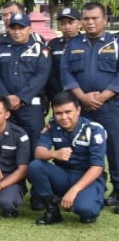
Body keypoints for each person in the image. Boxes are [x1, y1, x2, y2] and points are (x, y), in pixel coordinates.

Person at [60, 2, 119, 205]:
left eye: (95, 18)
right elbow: (66, 73)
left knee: (114, 148)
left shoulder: (115, 42)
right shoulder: (74, 44)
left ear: (105, 19)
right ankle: (87, 189)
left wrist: (102, 97)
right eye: (86, 19)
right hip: (81, 107)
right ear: (82, 21)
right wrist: (83, 97)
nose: (90, 22)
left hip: (110, 107)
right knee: (81, 148)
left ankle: (118, 192)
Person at [29, 91, 107, 225]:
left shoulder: (94, 130)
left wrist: (74, 190)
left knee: (86, 211)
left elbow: (97, 167)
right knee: (36, 166)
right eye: (58, 113)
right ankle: (52, 211)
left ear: (78, 110)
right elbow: (38, 152)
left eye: (68, 112)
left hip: (87, 177)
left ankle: (89, 198)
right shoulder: (53, 126)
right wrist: (54, 154)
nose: (63, 117)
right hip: (63, 175)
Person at [0, 11, 50, 136]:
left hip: (31, 106)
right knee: (8, 143)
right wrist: (7, 98)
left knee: (35, 143)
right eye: (13, 28)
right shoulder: (1, 49)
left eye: (21, 28)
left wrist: (21, 98)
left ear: (30, 29)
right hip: (6, 106)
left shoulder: (39, 49)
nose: (17, 32)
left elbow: (41, 76)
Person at [46, 6, 81, 102]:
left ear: (79, 23)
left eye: (70, 23)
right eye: (63, 23)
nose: (67, 27)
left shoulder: (85, 43)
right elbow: (50, 71)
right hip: (58, 94)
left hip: (82, 94)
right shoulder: (53, 44)